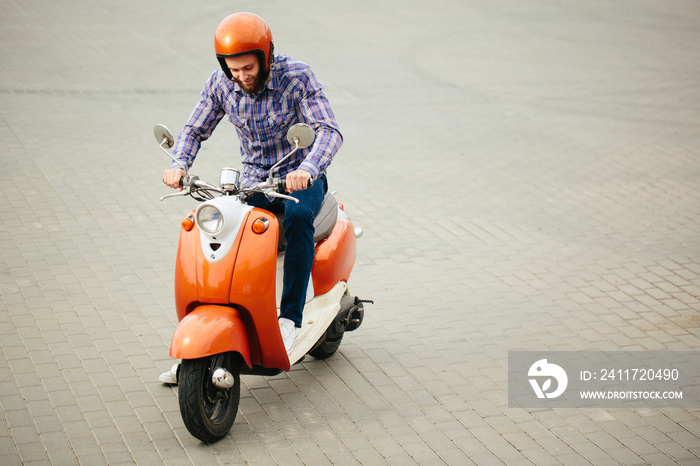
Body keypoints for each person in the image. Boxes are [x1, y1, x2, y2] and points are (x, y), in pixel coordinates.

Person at [163, 12, 342, 355]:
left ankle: (290, 319)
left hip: (297, 176)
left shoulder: (297, 77)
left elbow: (328, 130)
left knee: (298, 219)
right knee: (221, 228)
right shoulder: (221, 83)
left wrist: (307, 167)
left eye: (248, 68)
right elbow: (194, 129)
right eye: (234, 69)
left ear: (266, 56)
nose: (241, 76)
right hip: (252, 182)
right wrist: (179, 164)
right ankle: (210, 326)